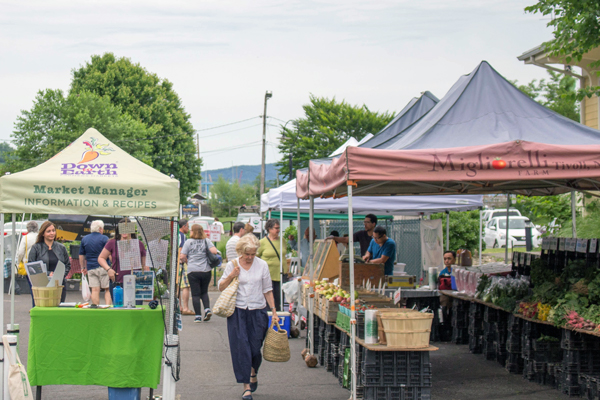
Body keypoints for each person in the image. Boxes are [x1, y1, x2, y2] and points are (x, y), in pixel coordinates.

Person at [218, 234, 279, 400]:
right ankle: (246, 386)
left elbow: (267, 289)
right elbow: (221, 287)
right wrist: (231, 275)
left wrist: (273, 310)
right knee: (241, 348)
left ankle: (253, 371)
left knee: (254, 348)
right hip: (237, 311)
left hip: (258, 311)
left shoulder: (262, 265)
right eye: (247, 254)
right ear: (240, 252)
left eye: (253, 253)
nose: (251, 257)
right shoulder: (233, 265)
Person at [98, 218, 149, 301]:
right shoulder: (112, 243)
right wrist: (108, 269)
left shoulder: (139, 244)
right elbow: (101, 258)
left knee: (136, 310)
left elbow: (145, 265)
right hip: (118, 282)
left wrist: (147, 282)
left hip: (135, 282)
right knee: (119, 310)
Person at [180, 224, 219, 322]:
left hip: (193, 271)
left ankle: (198, 316)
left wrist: (186, 260)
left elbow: (182, 256)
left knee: (195, 294)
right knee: (204, 291)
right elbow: (214, 251)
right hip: (205, 270)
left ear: (192, 231)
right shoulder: (206, 241)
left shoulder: (189, 242)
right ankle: (207, 309)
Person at [28, 221, 71, 303]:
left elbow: (67, 265)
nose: (52, 233)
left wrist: (59, 275)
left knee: (58, 310)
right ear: (43, 233)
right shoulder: (36, 248)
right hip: (42, 285)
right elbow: (31, 266)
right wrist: (48, 273)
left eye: (53, 230)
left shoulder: (61, 248)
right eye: (49, 231)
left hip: (59, 284)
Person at [257, 219, 288, 312]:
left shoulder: (282, 240)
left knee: (279, 299)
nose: (278, 230)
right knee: (268, 300)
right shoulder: (262, 242)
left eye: (279, 228)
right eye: (276, 228)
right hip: (268, 275)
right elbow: (256, 257)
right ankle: (268, 319)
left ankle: (278, 318)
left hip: (281, 274)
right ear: (269, 229)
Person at [79, 220, 111, 305]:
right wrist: (112, 267)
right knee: (107, 289)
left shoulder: (85, 239)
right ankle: (108, 308)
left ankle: (96, 309)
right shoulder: (105, 238)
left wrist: (83, 267)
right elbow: (109, 254)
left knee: (94, 289)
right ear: (100, 229)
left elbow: (81, 255)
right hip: (104, 267)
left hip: (91, 268)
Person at [177, 219, 193, 315]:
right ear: (183, 226)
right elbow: (181, 249)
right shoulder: (182, 236)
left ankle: (180, 306)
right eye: (187, 226)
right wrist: (185, 260)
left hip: (176, 262)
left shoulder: (176, 235)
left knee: (178, 285)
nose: (188, 228)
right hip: (181, 262)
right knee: (185, 286)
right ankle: (186, 307)